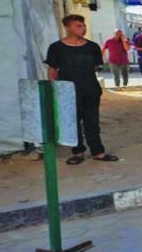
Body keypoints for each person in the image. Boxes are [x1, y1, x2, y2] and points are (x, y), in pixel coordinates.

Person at [45, 15, 119, 164]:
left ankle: (98, 151)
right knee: (73, 122)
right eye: (78, 26)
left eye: (83, 25)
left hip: (90, 90)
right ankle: (78, 152)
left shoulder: (92, 47)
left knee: (92, 121)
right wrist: (55, 89)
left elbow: (95, 67)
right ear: (67, 27)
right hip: (68, 92)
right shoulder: (56, 48)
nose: (83, 28)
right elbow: (52, 70)